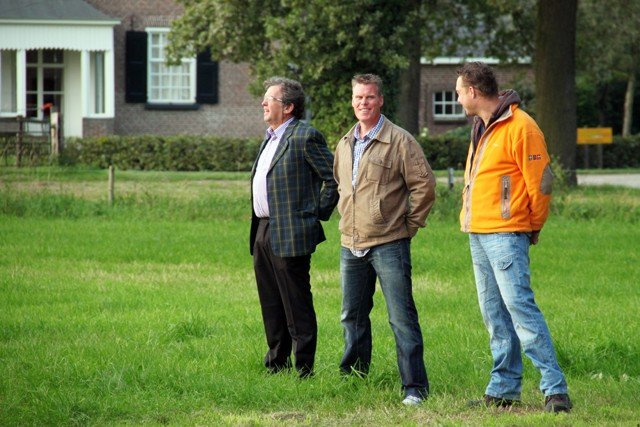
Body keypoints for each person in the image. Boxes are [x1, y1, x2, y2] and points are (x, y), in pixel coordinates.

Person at [455, 62, 572, 413]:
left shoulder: (522, 126)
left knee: (520, 309)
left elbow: (542, 183)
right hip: (478, 232)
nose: (458, 99)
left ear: (473, 92)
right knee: (494, 315)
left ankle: (555, 390)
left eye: (459, 92)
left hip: (505, 234)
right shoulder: (481, 126)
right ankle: (504, 389)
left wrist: (532, 225)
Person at [333, 73, 436, 405]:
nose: (363, 103)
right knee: (352, 315)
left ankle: (414, 387)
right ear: (352, 101)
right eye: (358, 97)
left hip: (390, 242)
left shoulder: (400, 141)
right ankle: (354, 377)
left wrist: (410, 225)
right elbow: (341, 186)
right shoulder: (345, 142)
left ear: (380, 100)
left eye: (369, 97)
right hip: (351, 243)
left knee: (401, 317)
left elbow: (424, 186)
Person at [250, 77, 338, 378]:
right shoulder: (269, 138)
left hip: (291, 232)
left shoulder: (305, 136)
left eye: (270, 99)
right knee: (271, 302)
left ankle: (304, 369)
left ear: (288, 107)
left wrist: (314, 215)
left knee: (295, 303)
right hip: (262, 230)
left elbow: (334, 179)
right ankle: (276, 363)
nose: (263, 103)